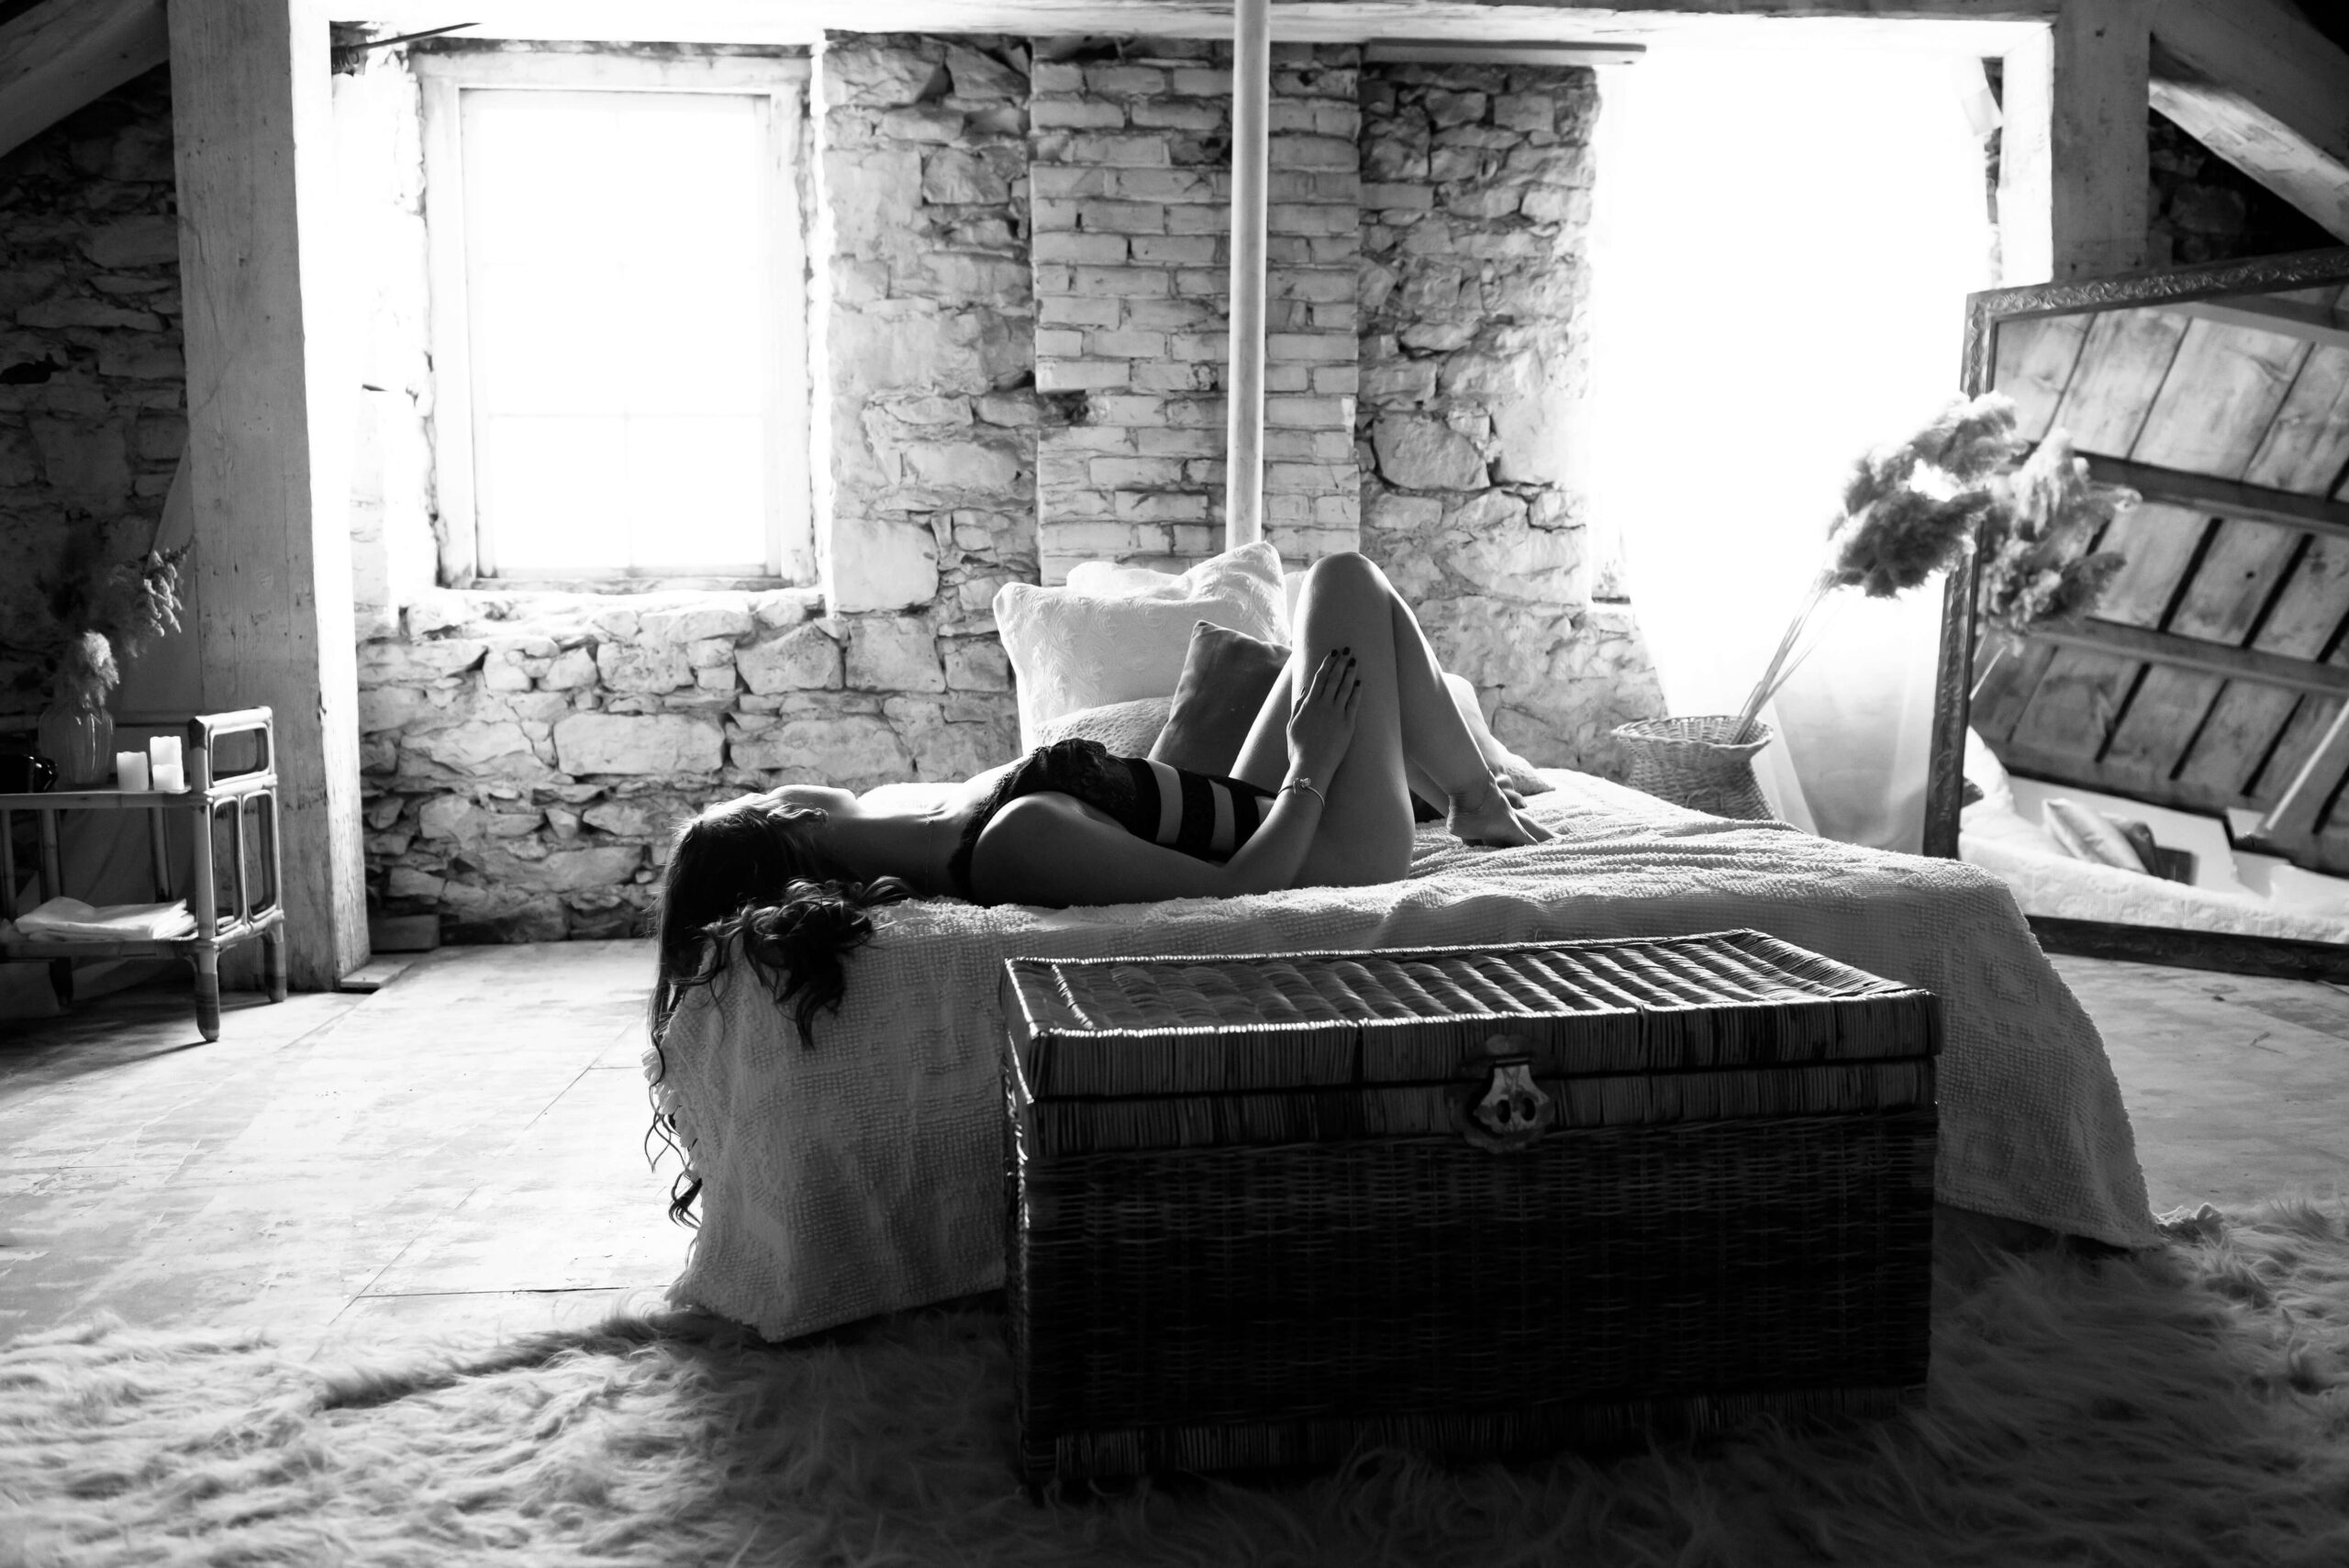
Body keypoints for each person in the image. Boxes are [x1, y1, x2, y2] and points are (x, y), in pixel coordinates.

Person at [649, 550, 1552, 1056]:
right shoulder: (1010, 842)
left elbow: (1167, 814)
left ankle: (1471, 793)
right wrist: (1312, 763)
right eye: (763, 793)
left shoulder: (957, 819)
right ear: (795, 824)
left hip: (1247, 799)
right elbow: (1246, 888)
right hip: (1331, 848)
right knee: (1344, 582)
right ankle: (1469, 793)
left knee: (1342, 595)